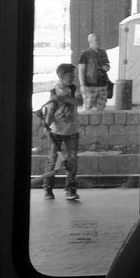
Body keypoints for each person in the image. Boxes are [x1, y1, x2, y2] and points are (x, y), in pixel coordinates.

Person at [36, 63, 81, 200]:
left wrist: (61, 99)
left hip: (72, 131)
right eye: (70, 75)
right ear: (61, 77)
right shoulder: (53, 92)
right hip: (56, 132)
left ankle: (71, 189)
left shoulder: (74, 89)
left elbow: (78, 102)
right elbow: (50, 113)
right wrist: (45, 126)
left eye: (73, 75)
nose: (73, 77)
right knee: (52, 160)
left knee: (72, 160)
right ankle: (48, 189)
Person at [78, 32, 112, 111]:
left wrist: (106, 67)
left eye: (98, 40)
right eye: (96, 40)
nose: (98, 42)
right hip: (90, 86)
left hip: (103, 84)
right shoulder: (85, 54)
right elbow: (81, 70)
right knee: (88, 107)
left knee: (101, 107)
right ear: (90, 41)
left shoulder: (103, 53)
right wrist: (82, 85)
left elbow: (107, 66)